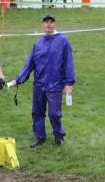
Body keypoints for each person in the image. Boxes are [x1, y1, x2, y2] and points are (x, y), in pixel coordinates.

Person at [10, 14, 75, 147]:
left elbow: (69, 62)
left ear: (54, 24)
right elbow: (30, 64)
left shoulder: (63, 41)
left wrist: (69, 83)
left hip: (55, 84)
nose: (49, 24)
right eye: (46, 22)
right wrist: (18, 79)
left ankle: (58, 135)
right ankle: (40, 137)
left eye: (51, 22)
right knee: (37, 112)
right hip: (39, 85)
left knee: (54, 113)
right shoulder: (38, 43)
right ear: (42, 25)